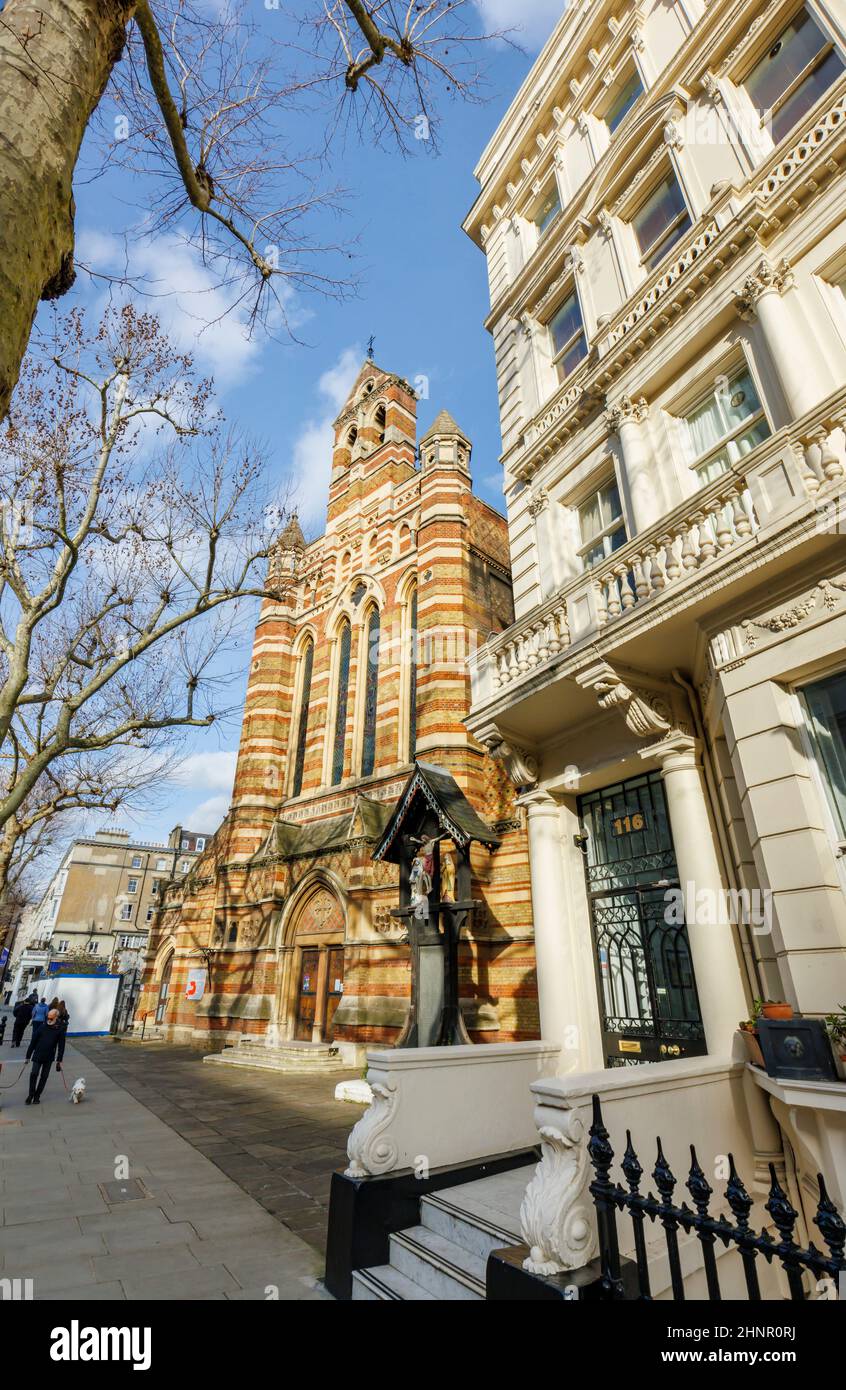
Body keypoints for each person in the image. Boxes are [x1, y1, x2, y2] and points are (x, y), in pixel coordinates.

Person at [25, 1008, 63, 1104]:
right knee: (34, 1073)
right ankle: (31, 1095)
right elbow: (33, 1041)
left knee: (44, 1076)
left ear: (56, 1018)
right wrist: (28, 1056)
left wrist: (59, 1060)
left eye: (51, 1018)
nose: (49, 1020)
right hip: (37, 1055)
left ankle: (37, 1096)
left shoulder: (59, 1029)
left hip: (49, 1057)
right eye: (48, 1018)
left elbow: (61, 1046)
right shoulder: (42, 1027)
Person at [25, 996, 49, 1061]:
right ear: (44, 1001)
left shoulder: (36, 1005)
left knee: (34, 1031)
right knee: (40, 1031)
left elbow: (33, 1012)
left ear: (40, 1000)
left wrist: (32, 1018)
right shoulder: (46, 1006)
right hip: (42, 1020)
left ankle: (33, 1041)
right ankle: (38, 1041)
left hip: (35, 1020)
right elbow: (47, 1014)